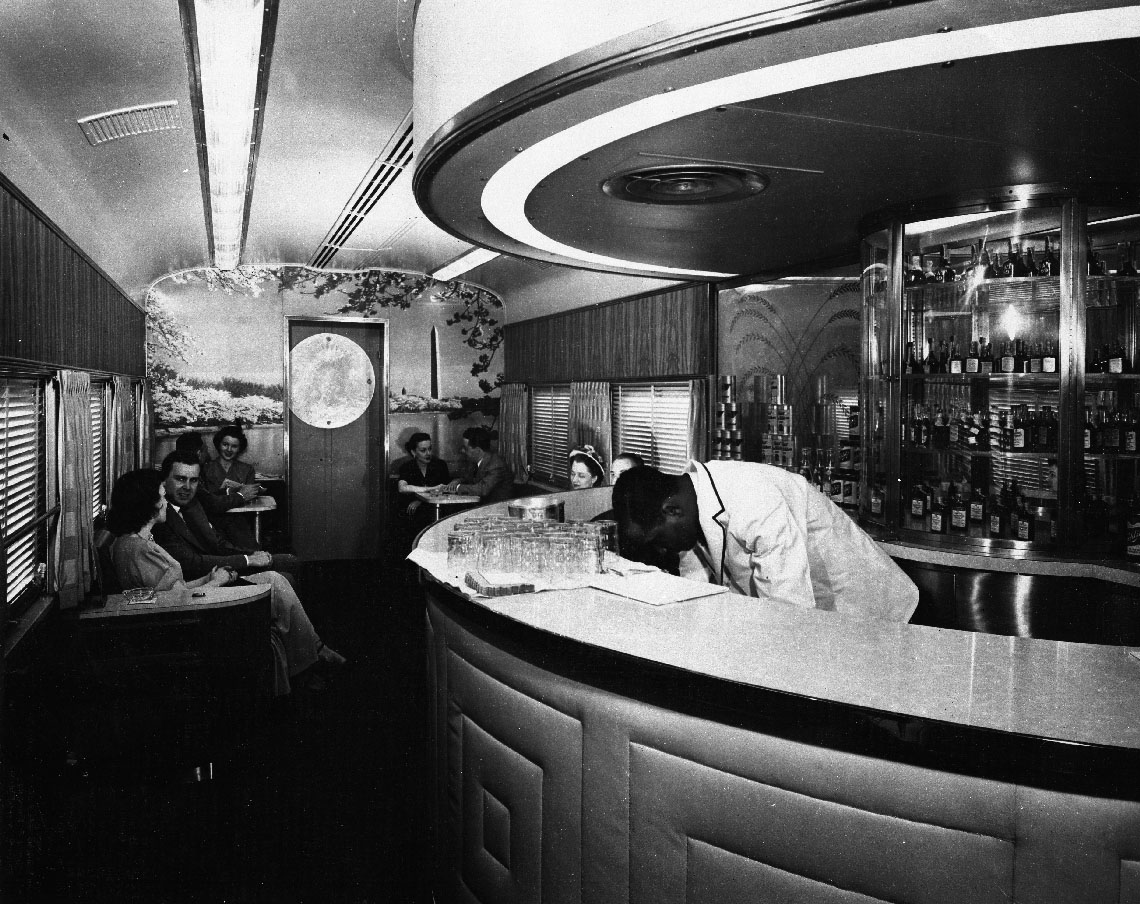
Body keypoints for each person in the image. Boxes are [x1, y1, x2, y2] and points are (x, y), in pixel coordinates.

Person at [107, 469, 344, 695]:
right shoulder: (139, 550)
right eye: (161, 496)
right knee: (276, 583)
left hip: (189, 605)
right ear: (147, 505)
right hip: (190, 618)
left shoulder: (137, 542)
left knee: (275, 579)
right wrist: (217, 582)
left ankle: (312, 654)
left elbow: (170, 590)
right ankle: (311, 660)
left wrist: (207, 578)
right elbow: (174, 601)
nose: (166, 502)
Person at [612, 460, 918, 622]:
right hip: (822, 622)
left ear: (672, 510)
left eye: (656, 539)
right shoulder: (692, 504)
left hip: (872, 613)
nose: (661, 549)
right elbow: (701, 595)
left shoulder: (753, 500)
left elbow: (789, 616)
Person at [152, 450, 296, 580]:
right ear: (164, 481)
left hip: (222, 566)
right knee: (285, 577)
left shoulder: (192, 504)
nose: (188, 487)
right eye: (181, 479)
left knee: (290, 561)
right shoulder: (159, 517)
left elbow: (217, 544)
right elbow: (192, 564)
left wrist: (253, 554)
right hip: (202, 580)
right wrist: (247, 560)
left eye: (193, 480)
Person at [199, 423, 262, 548]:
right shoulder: (205, 469)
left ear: (240, 449)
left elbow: (249, 499)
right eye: (225, 444)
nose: (229, 450)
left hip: (240, 522)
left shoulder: (247, 470)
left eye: (234, 446)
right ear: (218, 444)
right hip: (213, 522)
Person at [445, 427, 513, 502]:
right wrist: (457, 481)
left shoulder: (496, 465)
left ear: (478, 450)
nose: (462, 451)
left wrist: (457, 488)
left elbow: (482, 489)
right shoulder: (475, 463)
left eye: (465, 448)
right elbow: (467, 478)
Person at [396, 432, 450, 517]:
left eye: (430, 449)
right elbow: (402, 488)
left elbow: (446, 490)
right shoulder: (406, 467)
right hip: (413, 514)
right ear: (413, 452)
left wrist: (421, 501)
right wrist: (430, 490)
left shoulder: (440, 465)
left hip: (437, 510)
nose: (428, 453)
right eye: (423, 450)